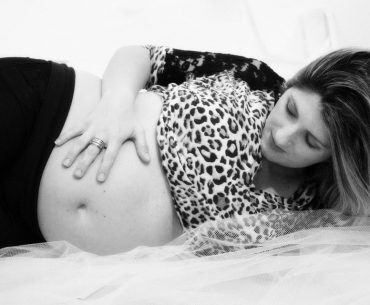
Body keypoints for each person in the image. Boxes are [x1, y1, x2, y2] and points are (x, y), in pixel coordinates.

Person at [0, 46, 369, 255]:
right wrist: (117, 103)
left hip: (32, 232)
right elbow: (143, 55)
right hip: (42, 110)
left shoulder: (314, 213)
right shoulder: (254, 77)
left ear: (335, 160)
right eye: (290, 108)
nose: (284, 136)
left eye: (311, 141)